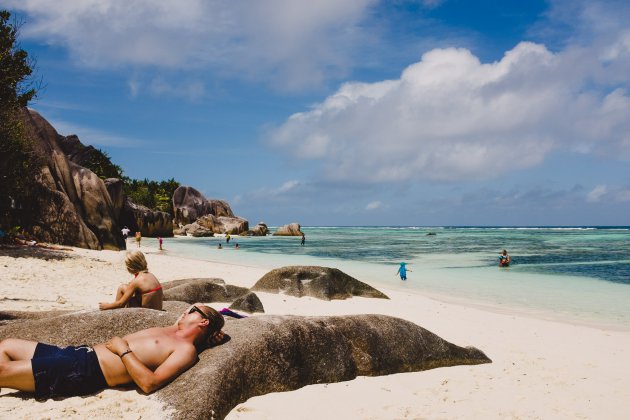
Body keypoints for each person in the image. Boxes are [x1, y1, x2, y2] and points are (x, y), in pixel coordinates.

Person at [0, 304, 225, 399]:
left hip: (84, 372)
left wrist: (123, 350)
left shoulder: (185, 350)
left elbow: (150, 384)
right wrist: (213, 336)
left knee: (2, 370)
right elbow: (192, 325)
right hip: (78, 354)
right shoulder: (173, 330)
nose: (185, 311)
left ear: (203, 322)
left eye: (192, 310)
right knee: (7, 344)